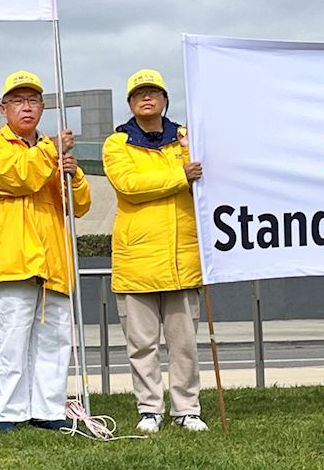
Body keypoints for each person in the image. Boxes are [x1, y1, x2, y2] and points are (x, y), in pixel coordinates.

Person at [0, 69, 90, 433]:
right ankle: (8, 413)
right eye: (18, 101)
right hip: (14, 262)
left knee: (54, 341)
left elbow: (79, 205)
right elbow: (19, 177)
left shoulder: (51, 152)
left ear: (42, 107)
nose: (27, 107)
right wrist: (52, 151)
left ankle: (48, 409)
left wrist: (74, 174)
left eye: (33, 101)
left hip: (53, 261)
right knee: (9, 342)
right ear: (3, 109)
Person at [103, 68, 208, 433]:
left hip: (182, 259)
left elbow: (208, 174)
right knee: (142, 345)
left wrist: (189, 158)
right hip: (137, 261)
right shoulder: (117, 144)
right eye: (138, 94)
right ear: (130, 103)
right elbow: (130, 185)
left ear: (165, 99)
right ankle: (150, 409)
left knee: (184, 344)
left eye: (153, 92)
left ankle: (186, 408)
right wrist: (181, 175)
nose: (146, 98)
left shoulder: (186, 139)